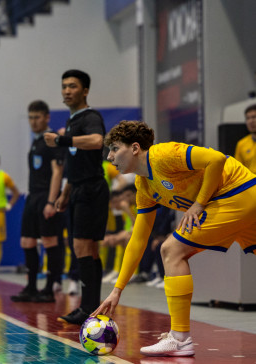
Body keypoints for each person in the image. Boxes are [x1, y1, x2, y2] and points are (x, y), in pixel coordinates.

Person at [93, 120, 256, 357]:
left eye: (115, 149)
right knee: (171, 249)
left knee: (171, 250)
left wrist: (198, 204)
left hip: (237, 193)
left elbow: (217, 159)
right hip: (244, 199)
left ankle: (180, 339)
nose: (110, 156)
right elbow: (138, 240)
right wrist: (117, 290)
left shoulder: (163, 155)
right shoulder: (144, 185)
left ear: (135, 148)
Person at [44, 70, 109, 325]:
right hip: (78, 189)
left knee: (83, 247)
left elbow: (97, 140)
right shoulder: (72, 121)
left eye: (72, 86)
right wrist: (65, 192)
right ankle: (92, 308)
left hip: (92, 189)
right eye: (64, 86)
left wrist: (62, 139)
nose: (67, 91)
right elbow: (75, 163)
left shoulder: (90, 117)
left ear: (85, 91)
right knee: (86, 248)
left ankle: (88, 307)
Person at [11, 100, 65, 303]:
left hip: (46, 196)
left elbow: (57, 172)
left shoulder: (52, 140)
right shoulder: (36, 141)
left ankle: (50, 288)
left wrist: (51, 202)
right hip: (32, 196)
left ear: (46, 117)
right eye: (31, 118)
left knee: (50, 241)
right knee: (27, 241)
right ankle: (31, 287)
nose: (33, 121)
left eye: (37, 117)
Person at [234, 103, 256, 173]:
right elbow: (238, 170)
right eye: (248, 118)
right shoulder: (241, 144)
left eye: (254, 117)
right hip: (250, 179)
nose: (251, 121)